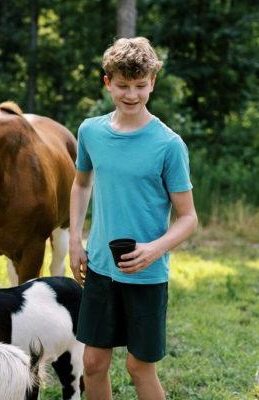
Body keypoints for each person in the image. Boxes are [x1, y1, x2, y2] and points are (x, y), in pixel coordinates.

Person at [69, 37, 198, 400]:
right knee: (93, 363)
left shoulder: (169, 145)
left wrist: (153, 250)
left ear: (152, 82)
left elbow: (188, 218)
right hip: (99, 268)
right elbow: (81, 185)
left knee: (139, 367)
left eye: (140, 86)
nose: (131, 95)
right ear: (107, 82)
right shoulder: (90, 131)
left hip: (147, 273)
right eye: (123, 85)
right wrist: (76, 241)